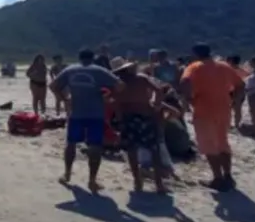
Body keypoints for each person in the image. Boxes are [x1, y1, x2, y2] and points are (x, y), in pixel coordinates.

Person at [50, 49, 120, 193]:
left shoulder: (70, 70)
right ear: (93, 58)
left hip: (76, 113)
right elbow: (121, 85)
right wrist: (109, 96)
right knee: (95, 147)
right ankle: (92, 180)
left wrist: (64, 99)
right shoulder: (99, 71)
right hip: (96, 114)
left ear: (79, 58)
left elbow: (53, 86)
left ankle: (67, 174)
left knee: (71, 144)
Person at [180, 42, 245, 192]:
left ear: (195, 53)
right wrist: (235, 100)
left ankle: (218, 178)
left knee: (209, 146)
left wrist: (189, 99)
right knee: (223, 142)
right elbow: (240, 85)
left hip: (204, 110)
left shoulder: (194, 66)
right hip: (224, 109)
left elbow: (184, 82)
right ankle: (228, 175)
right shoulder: (224, 66)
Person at [109, 57, 170, 193]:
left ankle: (137, 181)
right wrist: (157, 105)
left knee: (132, 151)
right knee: (154, 149)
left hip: (128, 118)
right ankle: (159, 184)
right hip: (146, 115)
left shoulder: (119, 83)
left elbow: (115, 103)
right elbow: (159, 90)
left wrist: (119, 120)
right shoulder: (141, 78)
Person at [225, 55, 249, 129]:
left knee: (227, 109)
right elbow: (247, 77)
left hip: (230, 91)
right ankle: (237, 125)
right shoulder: (242, 71)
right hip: (240, 91)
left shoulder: (228, 70)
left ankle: (228, 124)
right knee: (237, 109)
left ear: (231, 61)